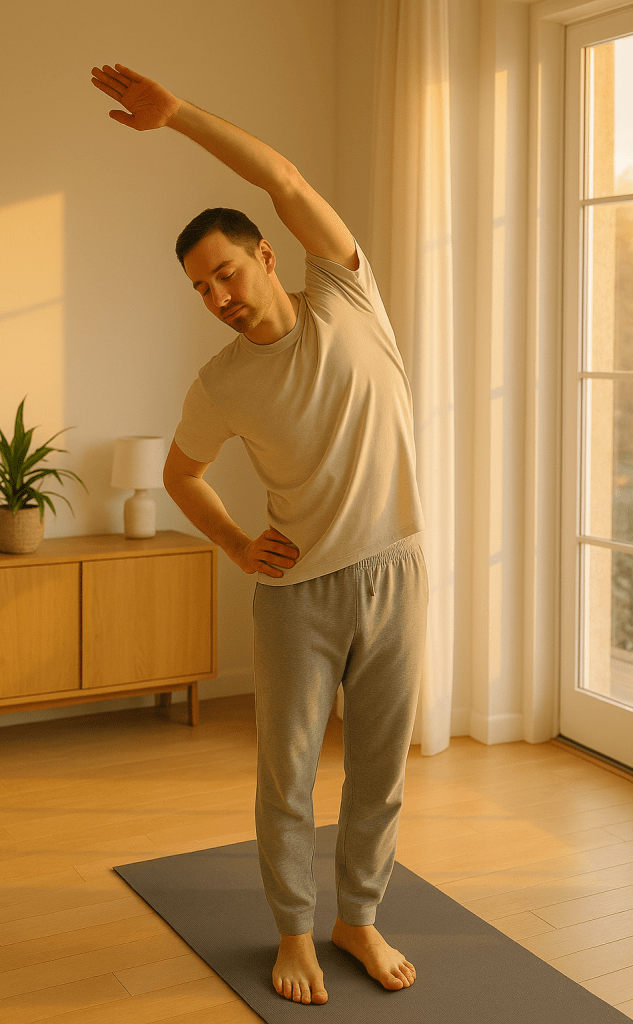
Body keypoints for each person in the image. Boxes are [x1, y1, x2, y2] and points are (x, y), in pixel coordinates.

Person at [91, 62, 428, 1007]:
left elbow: (281, 181)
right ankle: (293, 932)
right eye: (199, 287)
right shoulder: (221, 381)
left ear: (268, 258)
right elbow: (179, 476)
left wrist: (179, 118)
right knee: (286, 777)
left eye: (226, 273)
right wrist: (239, 546)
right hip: (296, 596)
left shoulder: (348, 299)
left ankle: (357, 916)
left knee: (379, 768)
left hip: (397, 572)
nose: (217, 295)